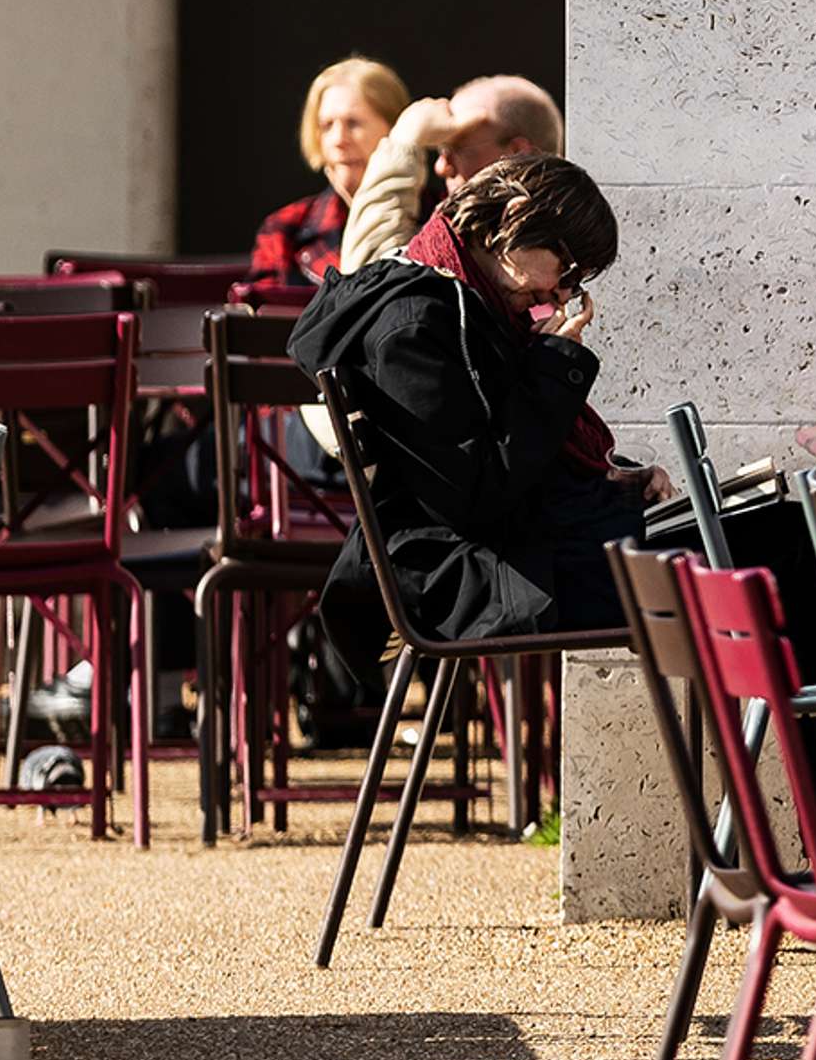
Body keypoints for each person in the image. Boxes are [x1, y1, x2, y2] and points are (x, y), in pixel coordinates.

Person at [290, 150, 665, 668]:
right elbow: (476, 495)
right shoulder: (415, 322)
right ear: (513, 222)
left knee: (757, 538)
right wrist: (552, 366)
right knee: (760, 566)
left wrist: (619, 486)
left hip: (520, 560)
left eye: (576, 283)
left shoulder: (464, 301)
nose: (560, 293)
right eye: (568, 269)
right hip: (481, 579)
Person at [339, 71, 563, 275]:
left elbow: (368, 283)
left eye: (455, 149)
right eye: (440, 150)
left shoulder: (521, 258)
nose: (441, 167)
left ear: (518, 156)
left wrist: (404, 142)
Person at [249, 53, 411, 299]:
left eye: (354, 123)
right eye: (326, 126)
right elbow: (259, 329)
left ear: (396, 128)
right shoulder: (285, 229)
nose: (338, 140)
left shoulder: (438, 217)